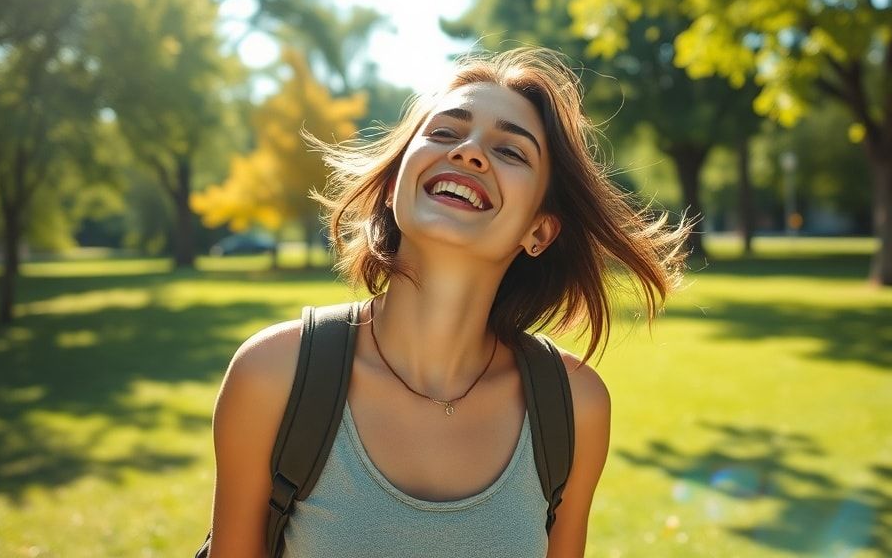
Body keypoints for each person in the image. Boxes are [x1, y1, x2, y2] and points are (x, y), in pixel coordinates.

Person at [206, 47, 688, 557]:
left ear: (539, 230)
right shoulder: (271, 376)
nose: (469, 151)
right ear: (394, 186)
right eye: (444, 133)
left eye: (511, 151)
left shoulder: (575, 408)